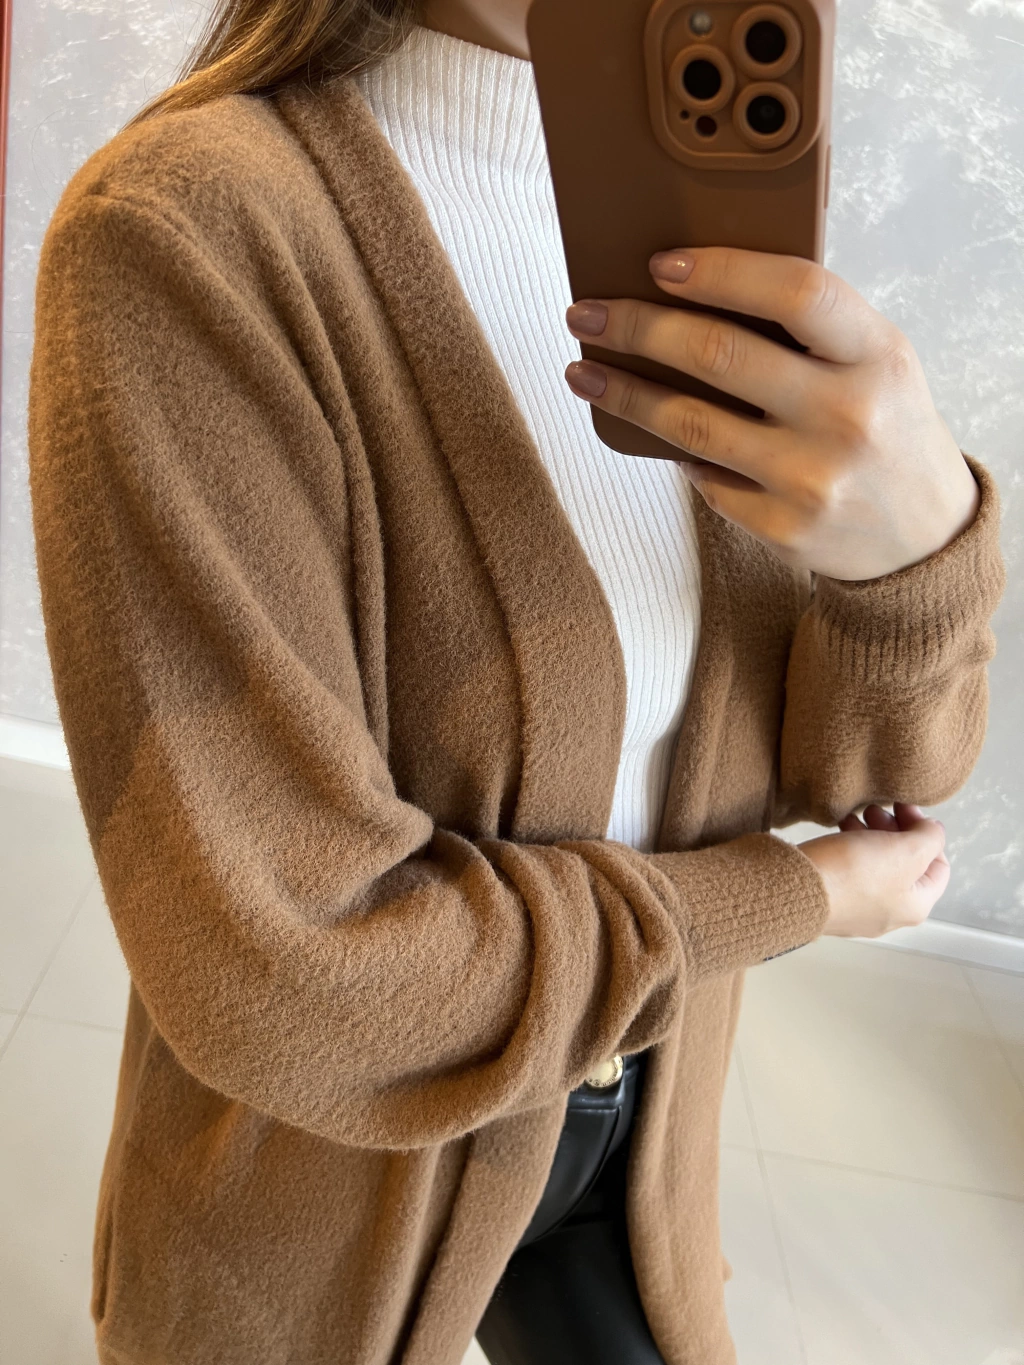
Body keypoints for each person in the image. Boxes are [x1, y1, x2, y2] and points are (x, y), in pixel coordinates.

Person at [26, 0, 1004, 1360]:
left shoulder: (703, 232)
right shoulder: (187, 233)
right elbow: (293, 976)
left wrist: (910, 557)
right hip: (326, 1190)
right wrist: (792, 899)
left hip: (640, 1141)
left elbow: (873, 780)